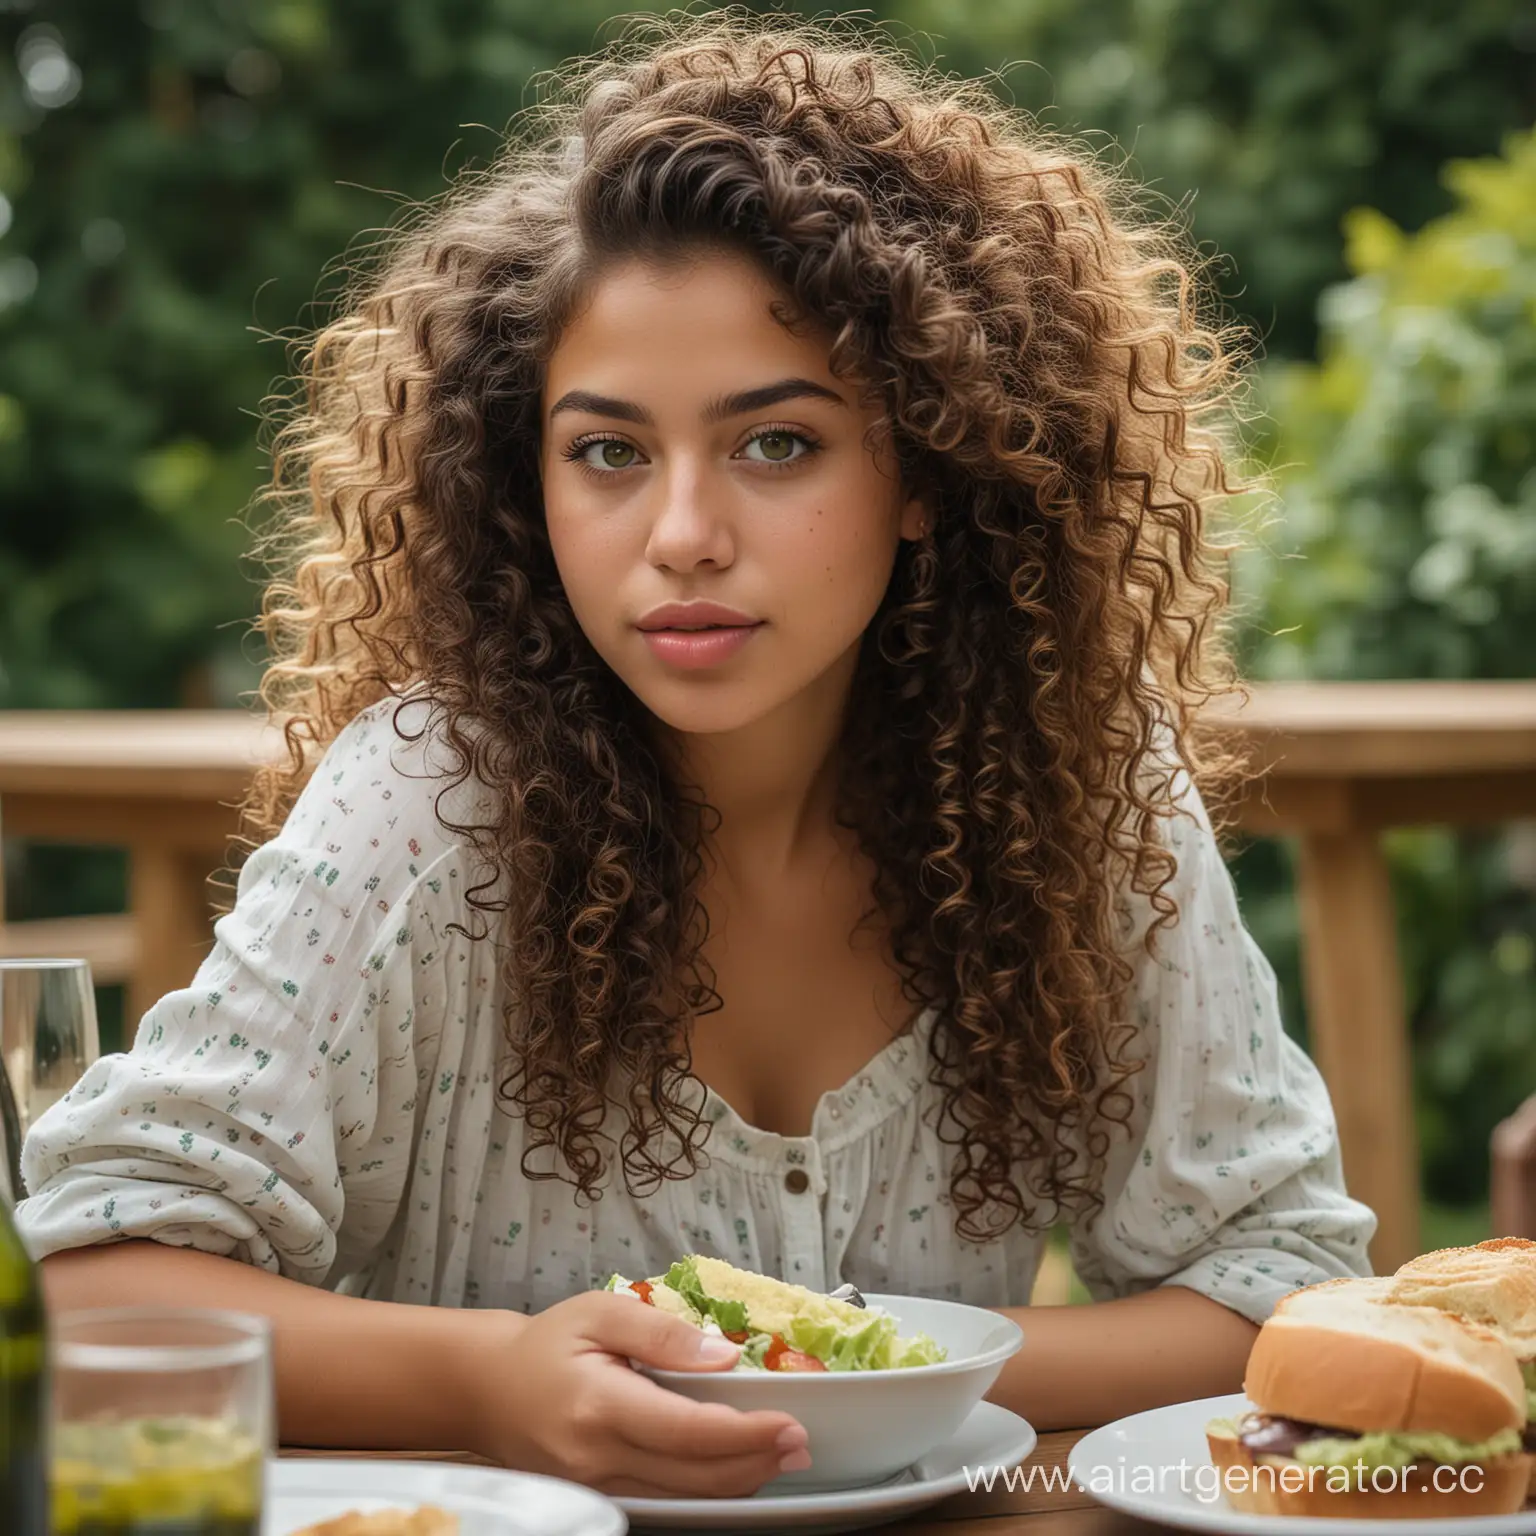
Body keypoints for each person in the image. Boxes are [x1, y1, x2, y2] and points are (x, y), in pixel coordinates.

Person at [19, 12, 1375, 1496]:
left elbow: (1281, 1277)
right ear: (525, 484)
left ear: (924, 465)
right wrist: (491, 1384)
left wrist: (870, 1369)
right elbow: (88, 1296)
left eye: (775, 443)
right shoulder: (426, 812)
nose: (680, 537)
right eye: (608, 452)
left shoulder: (1078, 807)